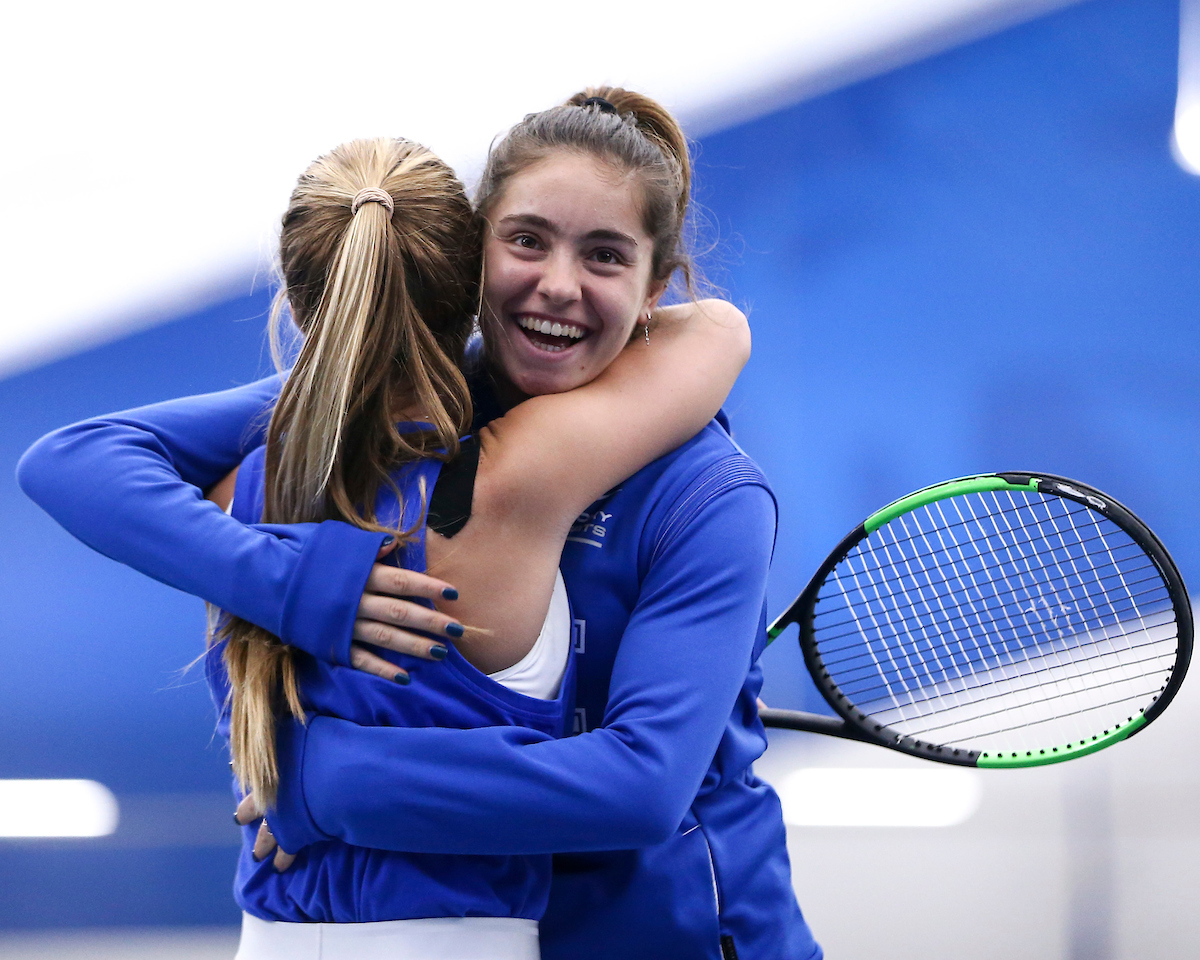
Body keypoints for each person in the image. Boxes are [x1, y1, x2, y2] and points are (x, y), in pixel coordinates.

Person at [19, 88, 823, 960]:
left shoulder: (708, 495)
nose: (558, 283)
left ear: (653, 288)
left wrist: (319, 779)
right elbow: (78, 460)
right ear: (471, 255)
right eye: (527, 239)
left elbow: (642, 788)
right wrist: (294, 585)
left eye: (604, 255)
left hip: (679, 940)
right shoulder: (406, 400)